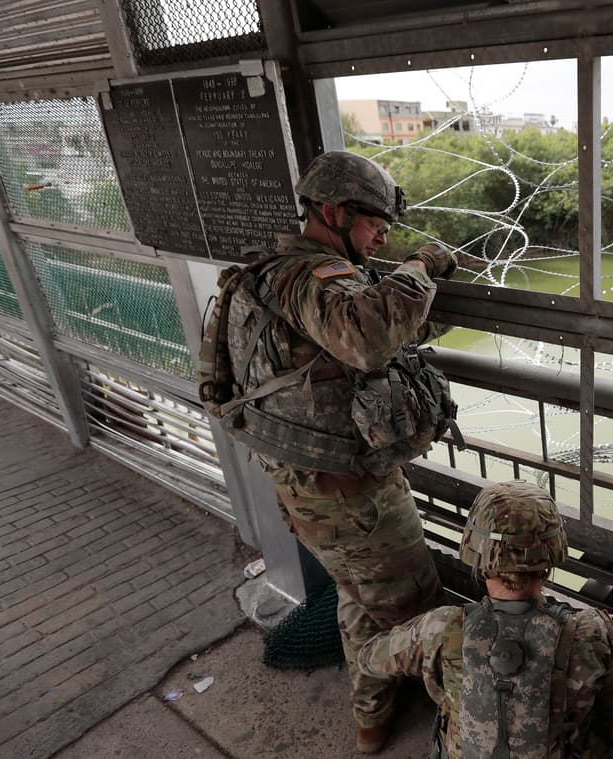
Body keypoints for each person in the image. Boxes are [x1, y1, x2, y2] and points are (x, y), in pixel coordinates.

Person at [206, 151, 465, 752]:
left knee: (358, 598)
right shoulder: (309, 276)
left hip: (309, 486)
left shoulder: (272, 274)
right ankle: (455, 724)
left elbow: (353, 338)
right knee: (420, 613)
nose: (383, 238)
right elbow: (369, 337)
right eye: (375, 224)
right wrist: (422, 266)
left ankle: (371, 720)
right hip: (349, 497)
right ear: (332, 213)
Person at [357, 481, 613, 758]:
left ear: (478, 556)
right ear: (550, 560)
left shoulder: (441, 628)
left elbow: (370, 658)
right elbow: (610, 713)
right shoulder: (593, 635)